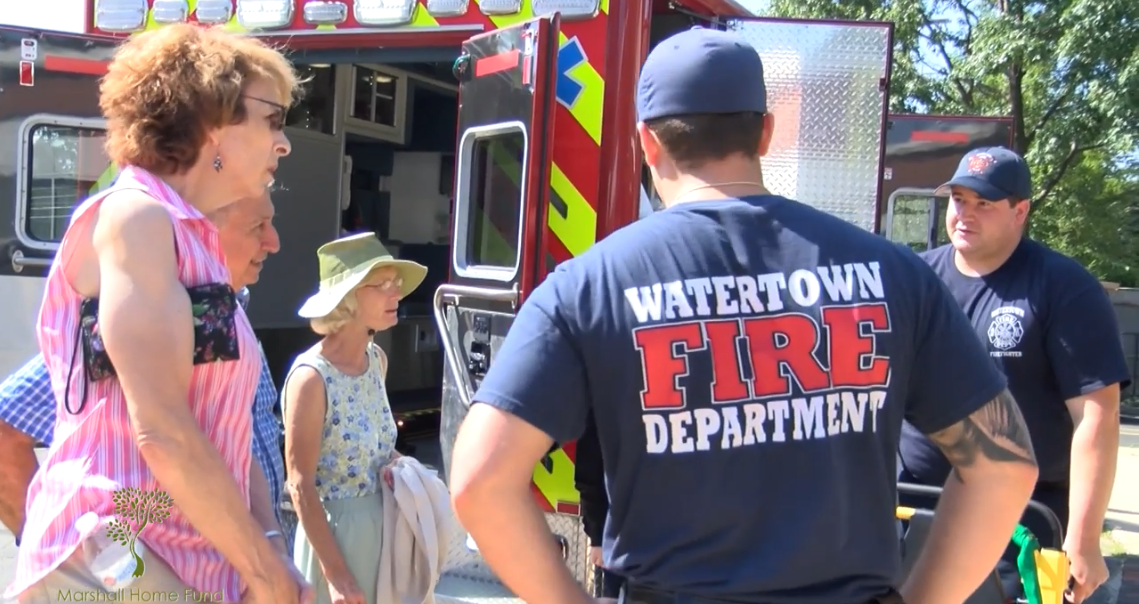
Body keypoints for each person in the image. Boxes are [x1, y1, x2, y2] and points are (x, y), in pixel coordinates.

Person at [447, 27, 1040, 604]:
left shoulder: (586, 287)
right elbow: (1005, 466)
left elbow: (479, 482)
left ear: (646, 143)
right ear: (766, 134)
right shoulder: (896, 275)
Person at [6, 24, 306, 604]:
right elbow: (163, 431)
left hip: (171, 550)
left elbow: (228, 433)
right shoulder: (136, 218)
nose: (283, 142)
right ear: (211, 117)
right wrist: (265, 574)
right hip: (112, 545)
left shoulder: (191, 240)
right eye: (273, 118)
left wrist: (265, 544)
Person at [898, 147, 1130, 604]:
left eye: (984, 203)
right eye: (959, 199)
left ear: (1020, 211)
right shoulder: (916, 278)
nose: (966, 214)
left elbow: (1096, 417)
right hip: (909, 503)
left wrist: (1082, 539)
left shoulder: (1063, 288)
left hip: (1024, 521)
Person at [0, 191, 289, 554]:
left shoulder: (229, 310)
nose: (273, 242)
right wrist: (59, 553)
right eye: (257, 226)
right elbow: (5, 433)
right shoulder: (148, 317)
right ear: (201, 230)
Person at [283, 232, 427, 604]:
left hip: (387, 536)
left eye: (397, 284)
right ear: (346, 298)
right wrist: (338, 577)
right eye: (383, 285)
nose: (396, 294)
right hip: (337, 543)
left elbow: (375, 451)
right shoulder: (311, 378)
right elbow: (300, 486)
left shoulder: (376, 360)